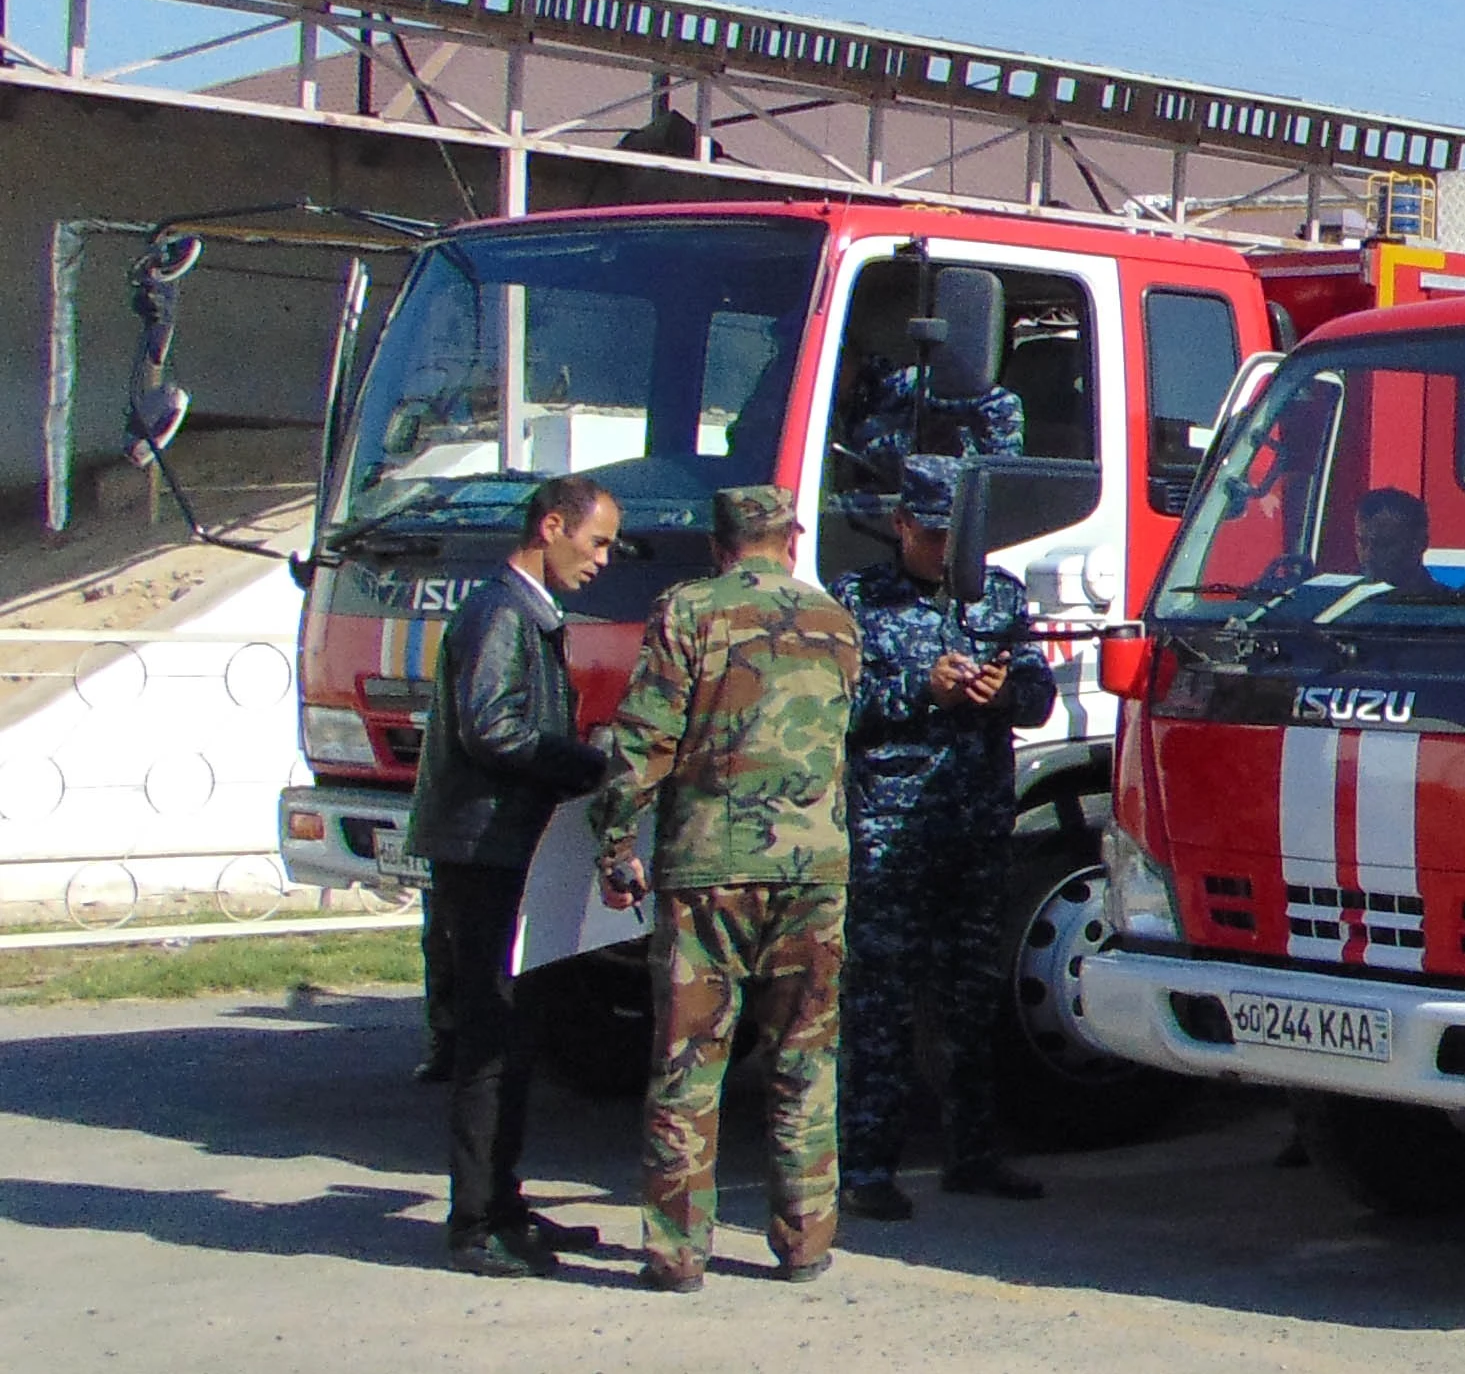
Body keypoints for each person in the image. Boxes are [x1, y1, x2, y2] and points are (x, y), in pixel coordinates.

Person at [597, 480, 863, 1291]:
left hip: (709, 868)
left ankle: (678, 1253)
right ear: (793, 536)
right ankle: (806, 1242)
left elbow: (647, 736)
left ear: (718, 545)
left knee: (688, 1062)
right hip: (813, 870)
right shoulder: (835, 620)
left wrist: (614, 837)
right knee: (805, 1059)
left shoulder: (688, 612)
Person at [404, 473, 621, 1274]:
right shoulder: (500, 610)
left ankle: (505, 1203)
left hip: (508, 846)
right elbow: (493, 728)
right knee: (491, 1036)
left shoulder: (528, 611)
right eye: (595, 542)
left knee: (521, 1029)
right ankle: (473, 1223)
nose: (602, 559)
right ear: (553, 526)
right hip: (484, 848)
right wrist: (585, 766)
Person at [836, 459, 1062, 1223]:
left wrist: (1008, 693)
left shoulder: (998, 595)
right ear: (903, 525)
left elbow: (1038, 694)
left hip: (973, 822)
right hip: (890, 831)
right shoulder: (860, 600)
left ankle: (973, 1154)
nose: (946, 552)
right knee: (881, 1003)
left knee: (971, 998)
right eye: (933, 536)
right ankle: (866, 1165)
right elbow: (837, 705)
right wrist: (917, 689)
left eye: (957, 538)